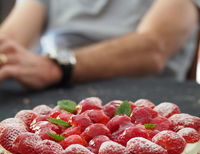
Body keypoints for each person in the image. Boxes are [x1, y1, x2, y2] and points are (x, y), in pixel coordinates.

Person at [0, 0, 199, 89]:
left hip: (144, 102)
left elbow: (154, 47)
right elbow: (12, 36)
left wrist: (55, 67)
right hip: (51, 89)